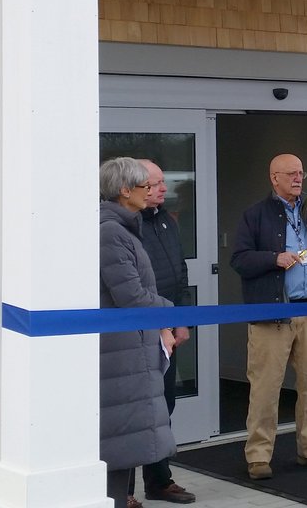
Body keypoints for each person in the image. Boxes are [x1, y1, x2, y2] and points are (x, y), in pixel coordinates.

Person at [230, 153, 307, 480]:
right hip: (272, 314)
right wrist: (274, 258)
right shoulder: (255, 215)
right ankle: (259, 455)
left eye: (301, 173)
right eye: (291, 173)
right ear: (273, 177)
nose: (298, 178)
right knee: (266, 388)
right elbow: (239, 259)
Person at [99, 157, 177, 508]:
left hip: (132, 347)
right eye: (144, 186)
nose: (151, 192)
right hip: (121, 350)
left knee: (125, 438)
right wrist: (170, 312)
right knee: (119, 437)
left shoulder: (125, 227)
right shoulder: (111, 231)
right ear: (124, 190)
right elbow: (129, 295)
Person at [136, 159, 196, 504]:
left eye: (163, 183)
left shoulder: (167, 222)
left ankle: (159, 480)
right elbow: (134, 285)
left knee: (163, 405)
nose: (163, 189)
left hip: (169, 328)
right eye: (156, 184)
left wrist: (181, 320)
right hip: (141, 330)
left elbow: (179, 272)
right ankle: (123, 490)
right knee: (136, 409)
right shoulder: (125, 226)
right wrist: (162, 325)